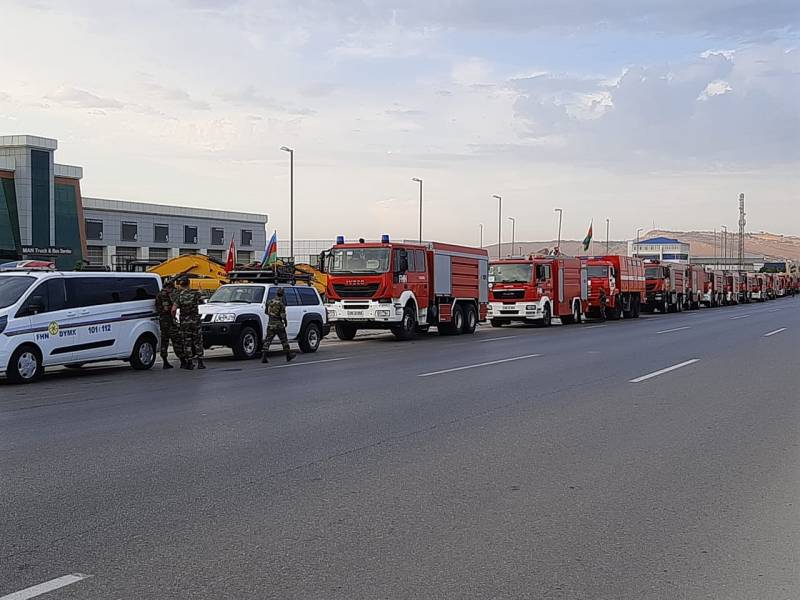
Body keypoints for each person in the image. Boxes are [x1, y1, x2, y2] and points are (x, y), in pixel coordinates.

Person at [172, 276, 205, 370]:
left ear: (181, 284)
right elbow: (202, 301)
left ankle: (189, 363)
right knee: (198, 341)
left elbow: (173, 309)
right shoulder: (196, 294)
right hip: (195, 321)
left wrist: (174, 317)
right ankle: (200, 362)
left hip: (185, 322)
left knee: (187, 342)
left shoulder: (179, 296)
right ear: (189, 283)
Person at [261, 287, 296, 364]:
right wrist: (285, 322)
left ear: (276, 293)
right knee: (284, 340)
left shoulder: (270, 302)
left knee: (267, 341)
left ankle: (264, 356)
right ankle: (288, 355)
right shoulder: (281, 304)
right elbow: (283, 316)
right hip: (279, 325)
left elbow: (266, 312)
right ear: (282, 294)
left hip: (270, 324)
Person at [156, 279, 184, 369]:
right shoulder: (165, 295)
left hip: (162, 321)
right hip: (168, 320)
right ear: (169, 288)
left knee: (164, 341)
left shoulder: (159, 295)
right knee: (176, 340)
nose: (172, 291)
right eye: (171, 289)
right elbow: (168, 309)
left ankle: (165, 361)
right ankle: (183, 361)